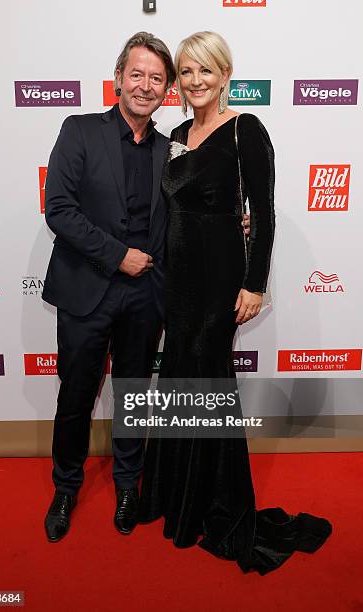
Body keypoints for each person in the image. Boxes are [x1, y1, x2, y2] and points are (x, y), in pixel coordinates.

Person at [138, 31, 332, 574]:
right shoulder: (177, 133)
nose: (196, 81)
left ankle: (213, 502)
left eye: (207, 70)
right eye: (188, 71)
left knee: (207, 377)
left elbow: (263, 213)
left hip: (220, 279)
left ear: (225, 75)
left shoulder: (246, 128)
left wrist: (254, 283)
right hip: (176, 282)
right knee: (178, 377)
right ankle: (177, 498)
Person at [42, 32, 176, 542]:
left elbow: (189, 216)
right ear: (118, 78)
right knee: (76, 395)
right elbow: (60, 209)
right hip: (86, 289)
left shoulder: (171, 149)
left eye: (156, 79)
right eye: (137, 74)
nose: (145, 86)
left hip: (145, 295)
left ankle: (126, 486)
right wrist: (118, 254)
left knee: (135, 395)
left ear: (166, 90)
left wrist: (237, 226)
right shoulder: (78, 130)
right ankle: (65, 487)